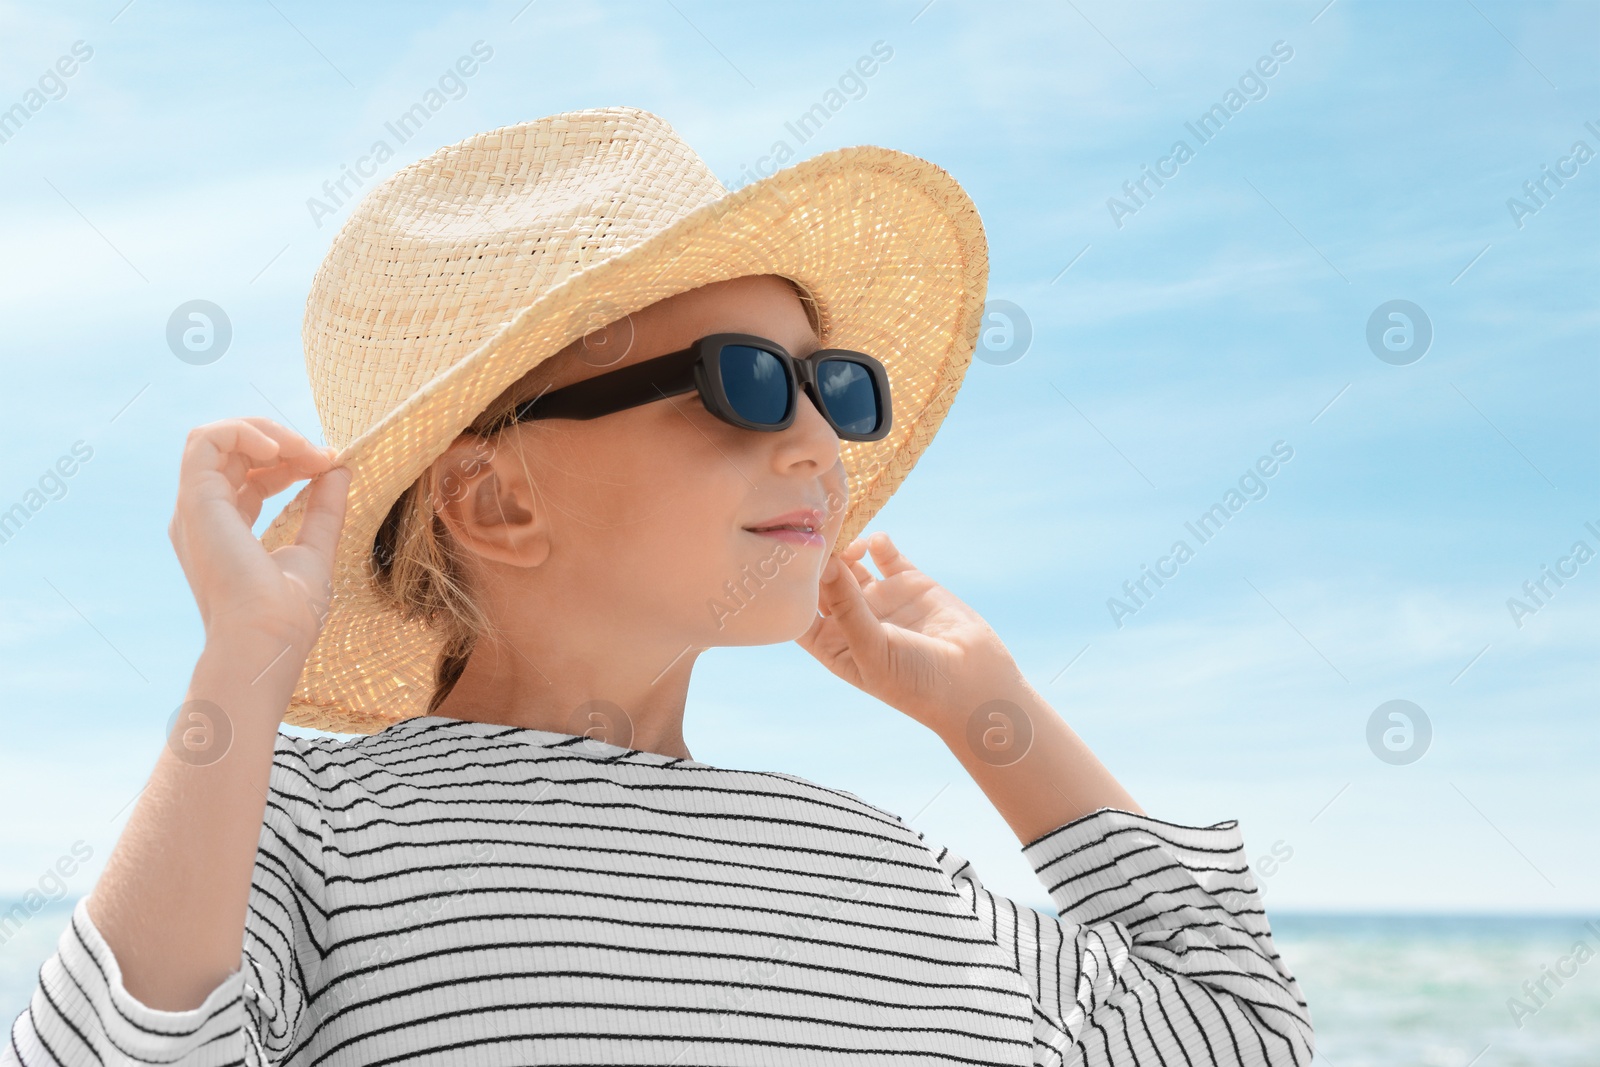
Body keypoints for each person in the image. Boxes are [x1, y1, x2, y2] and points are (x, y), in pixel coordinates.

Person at [3, 108, 1313, 1066]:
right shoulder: (320, 833)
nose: (817, 441)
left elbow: (1238, 1040)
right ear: (498, 500)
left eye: (832, 385)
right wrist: (243, 666)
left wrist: (993, 716)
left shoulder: (875, 858)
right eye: (743, 381)